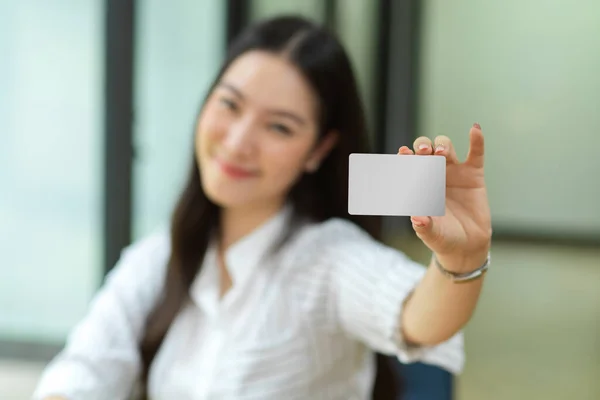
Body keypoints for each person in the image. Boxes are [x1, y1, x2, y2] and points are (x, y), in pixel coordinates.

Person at [33, 15, 491, 400]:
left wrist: (460, 261)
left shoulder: (328, 258)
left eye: (279, 127)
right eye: (230, 104)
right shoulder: (162, 253)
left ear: (319, 150)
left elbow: (416, 317)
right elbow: (86, 367)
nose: (237, 143)